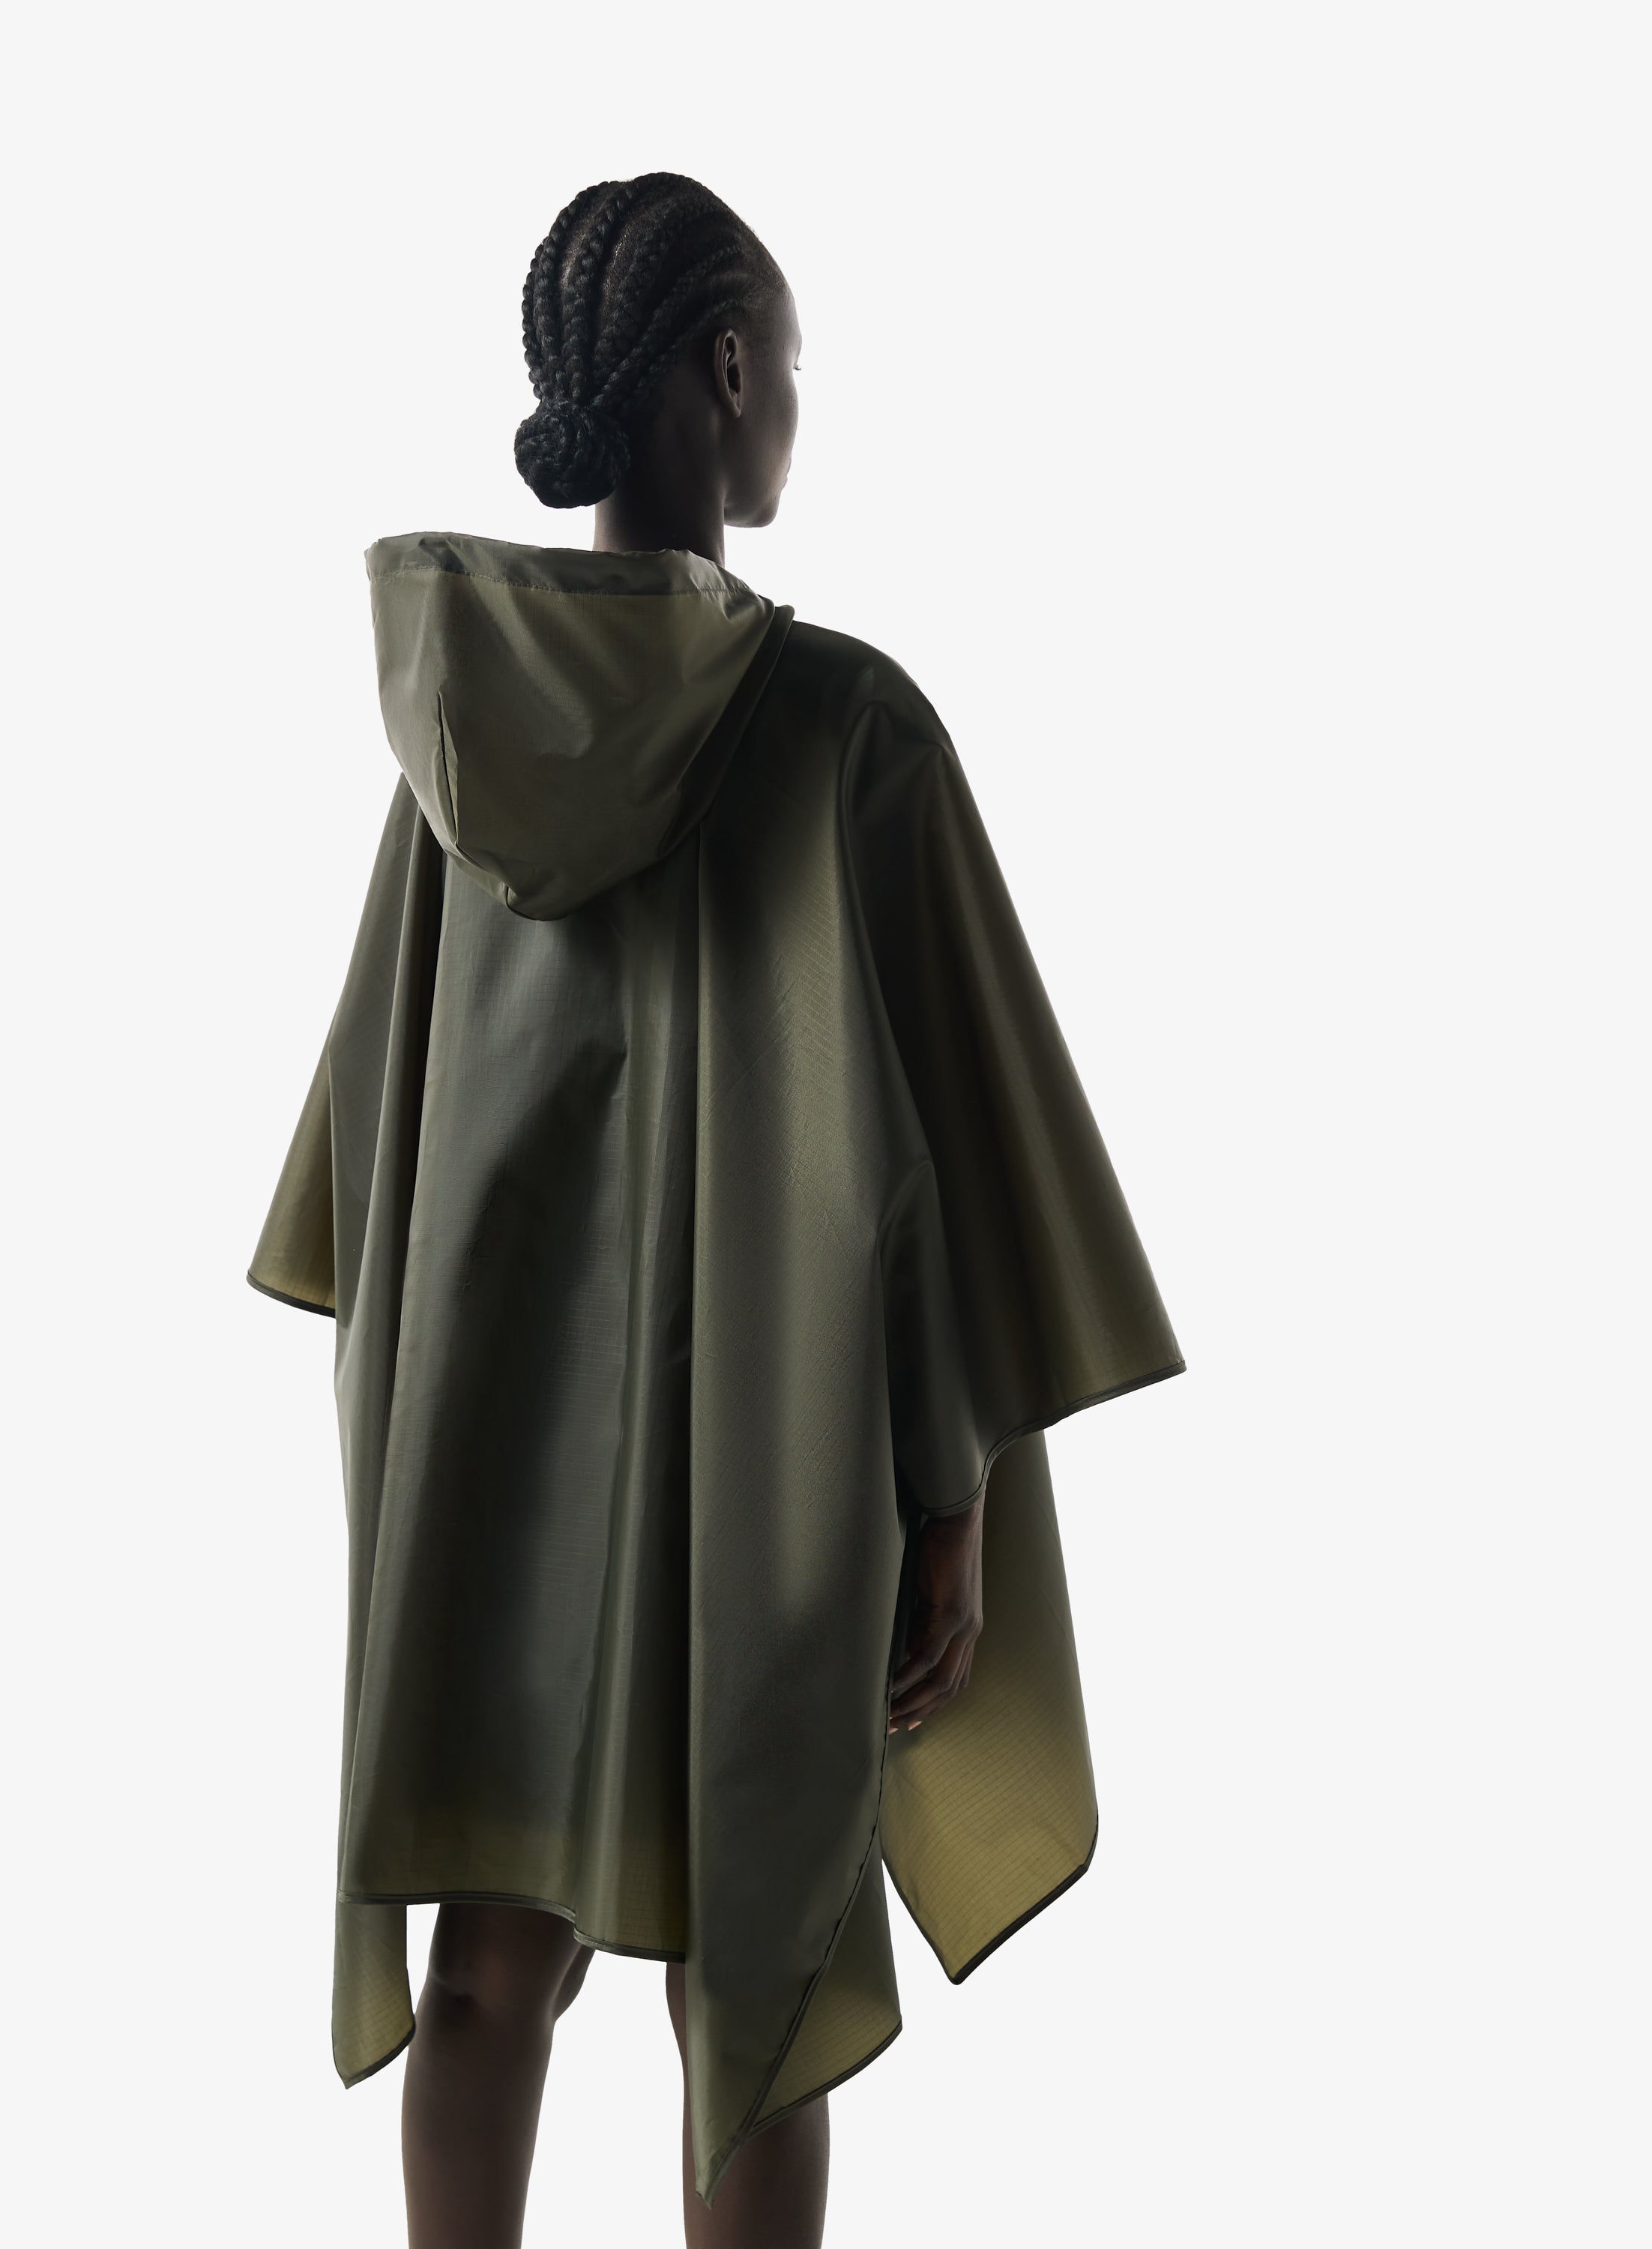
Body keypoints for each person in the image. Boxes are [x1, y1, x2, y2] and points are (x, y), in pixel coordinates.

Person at [249, 172, 1183, 2249]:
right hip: (772, 1470)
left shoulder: (455, 746)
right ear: (733, 367)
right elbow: (951, 1167)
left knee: (490, 1952)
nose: (798, 410)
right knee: (753, 1980)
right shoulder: (848, 729)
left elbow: (369, 1165)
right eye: (796, 367)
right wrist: (949, 1500)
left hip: (487, 1472)